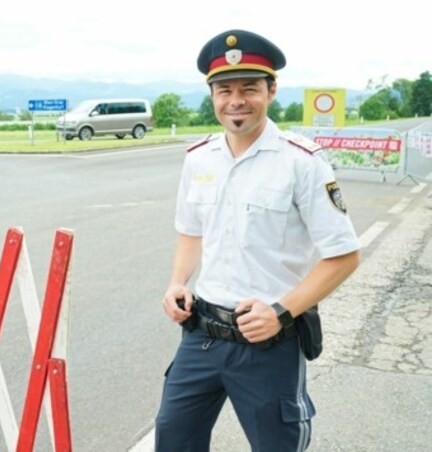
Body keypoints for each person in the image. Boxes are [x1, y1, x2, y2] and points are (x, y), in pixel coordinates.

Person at [154, 29, 361, 451]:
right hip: (202, 336)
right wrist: (178, 282)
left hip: (268, 341)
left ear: (271, 91)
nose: (236, 100)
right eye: (224, 89)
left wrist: (282, 312)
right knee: (173, 439)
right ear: (211, 96)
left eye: (249, 88)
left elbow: (343, 256)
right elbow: (191, 229)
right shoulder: (199, 158)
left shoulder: (302, 162)